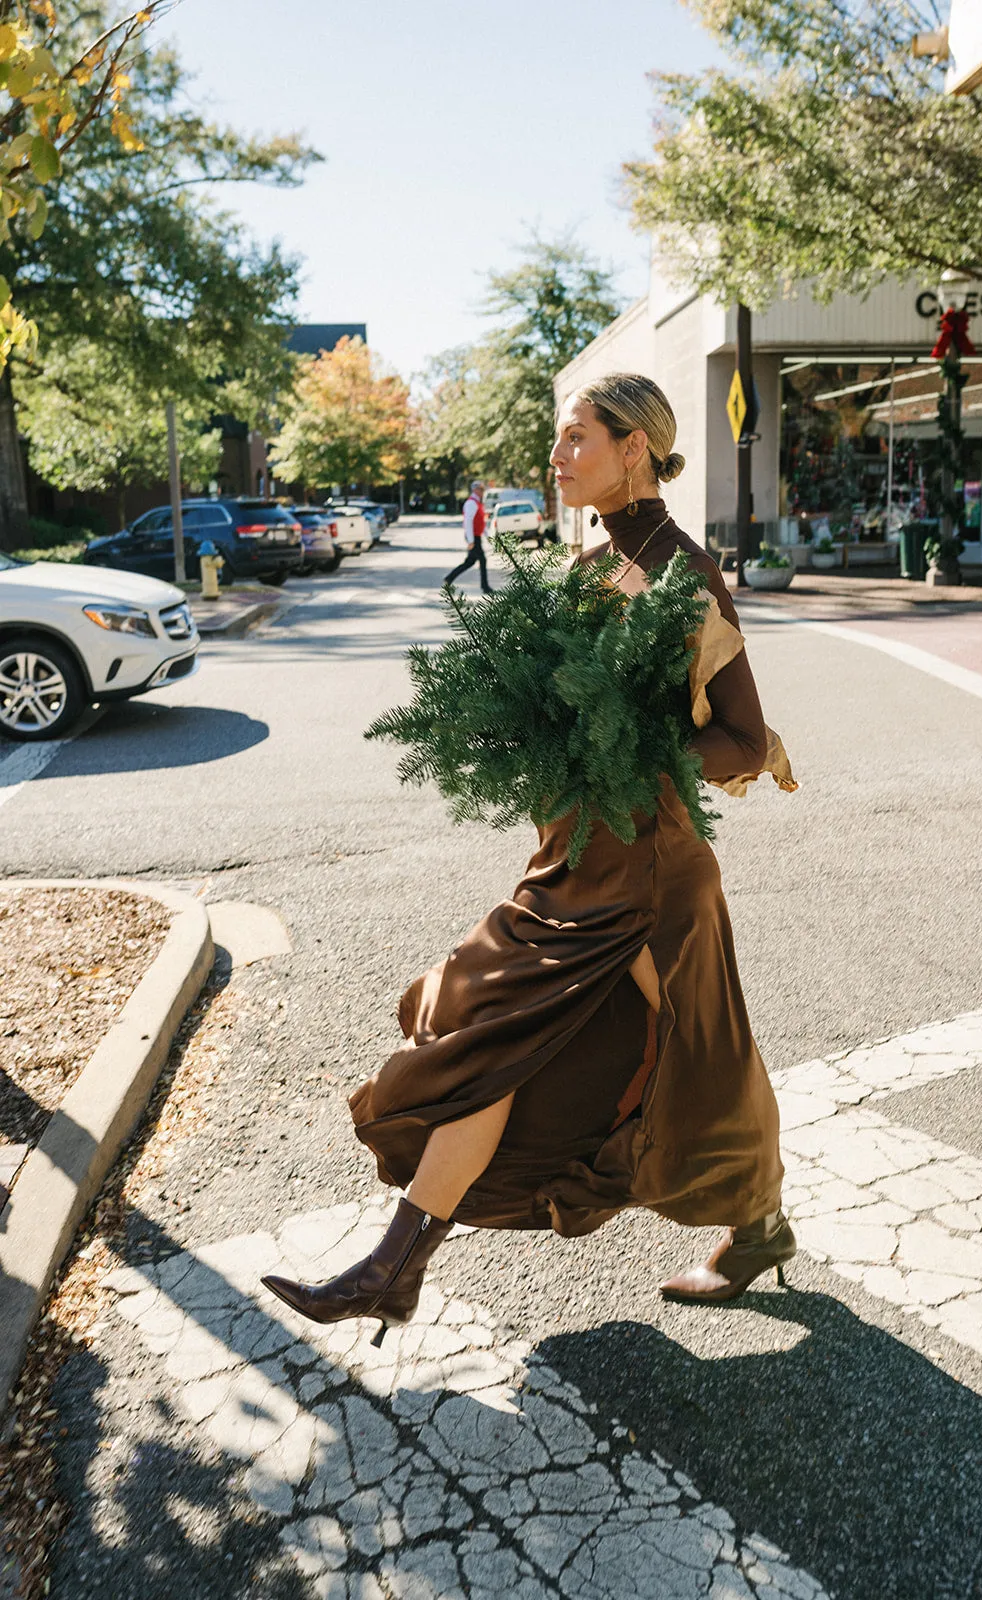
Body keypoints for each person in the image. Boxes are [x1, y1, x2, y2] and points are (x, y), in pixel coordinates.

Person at [262, 372, 798, 1344]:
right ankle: (397, 1266)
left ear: (632, 446)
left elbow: (745, 740)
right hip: (570, 861)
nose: (556, 457)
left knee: (686, 1065)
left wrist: (639, 755)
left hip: (649, 881)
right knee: (504, 1036)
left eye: (573, 438)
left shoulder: (681, 573)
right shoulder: (592, 562)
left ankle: (399, 1264)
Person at [443, 480, 493, 594]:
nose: (482, 492)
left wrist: (489, 536)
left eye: (482, 489)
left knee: (470, 562)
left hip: (476, 536)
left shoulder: (478, 503)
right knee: (482, 560)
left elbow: (481, 522)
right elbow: (468, 522)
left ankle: (449, 578)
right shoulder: (471, 503)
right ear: (474, 490)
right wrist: (470, 540)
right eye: (480, 489)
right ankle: (485, 587)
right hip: (473, 537)